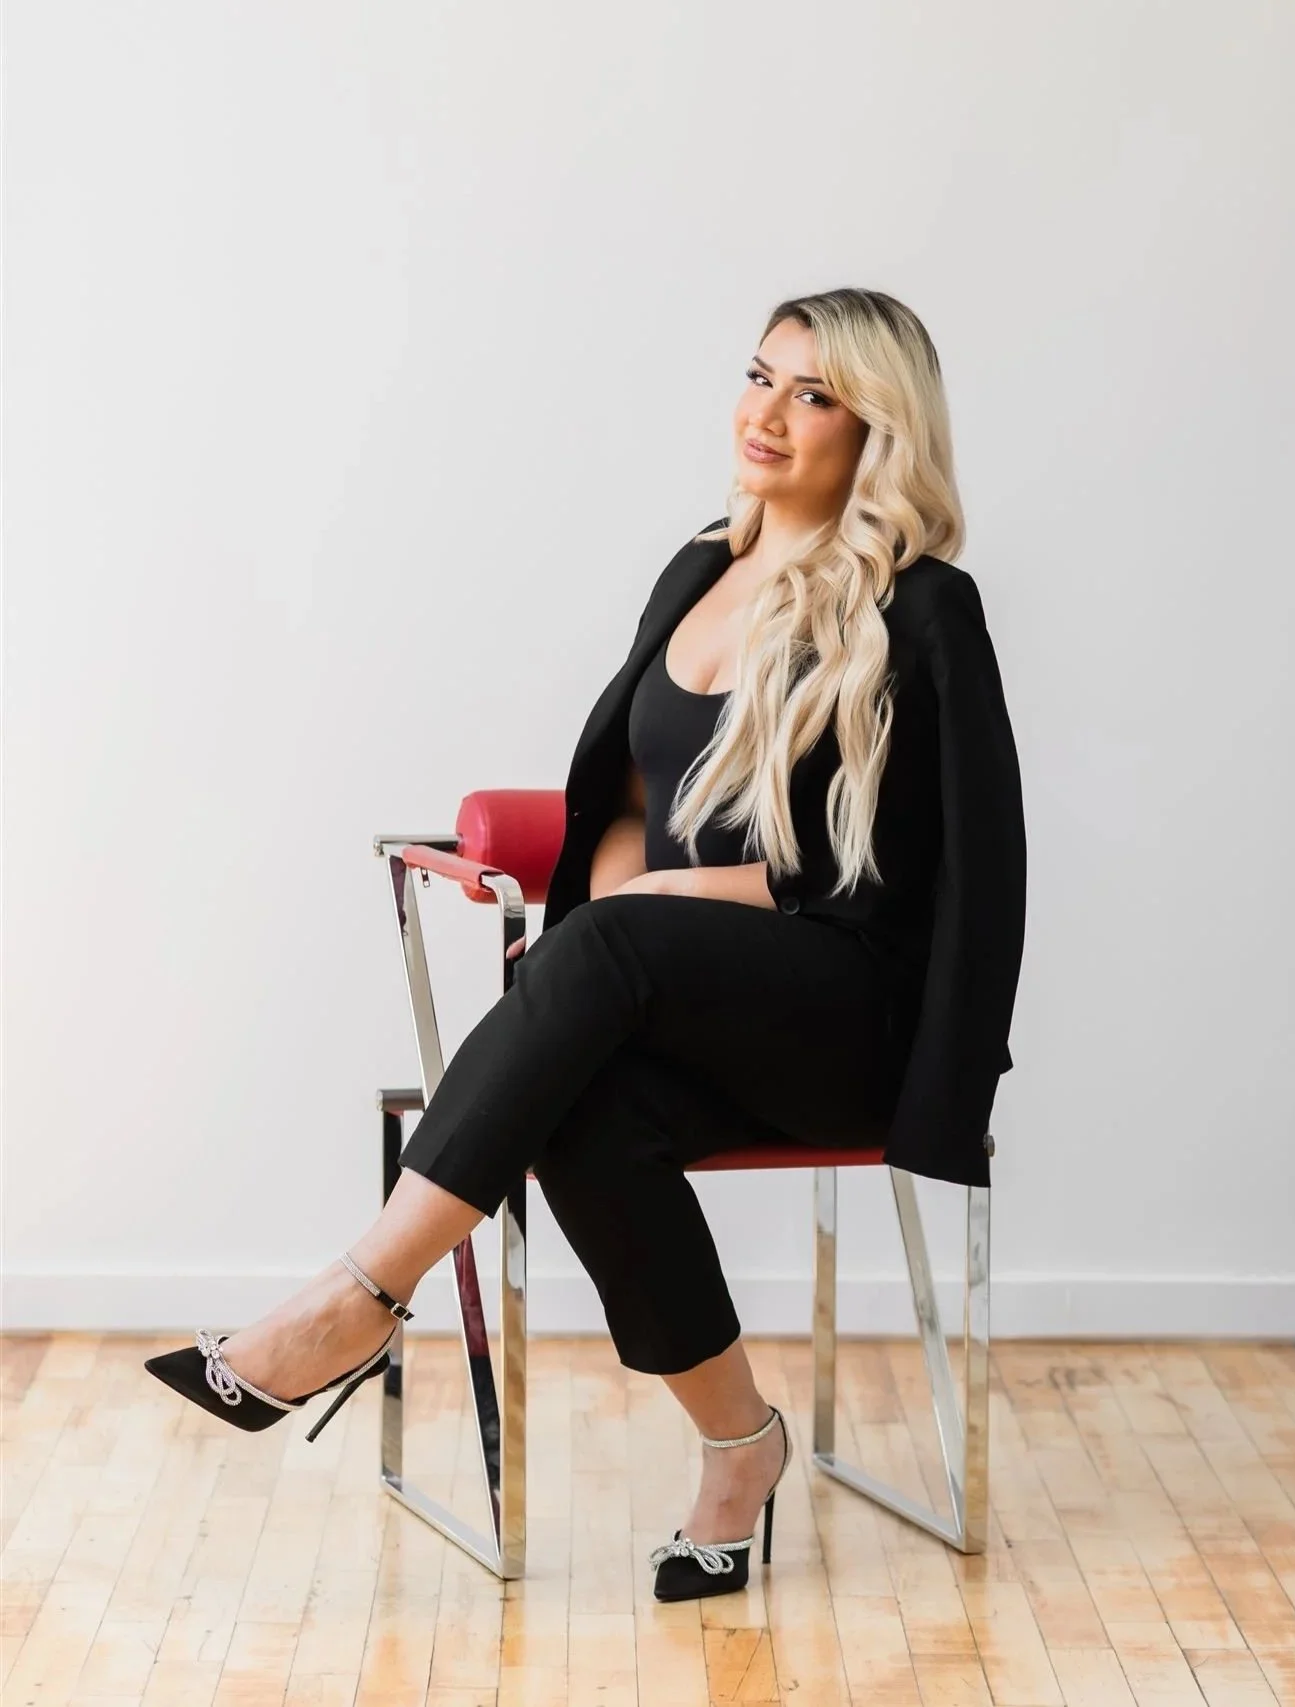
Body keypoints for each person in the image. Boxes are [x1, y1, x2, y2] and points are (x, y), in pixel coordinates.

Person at [145, 287, 1027, 1603]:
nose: (767, 411)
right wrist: (632, 912)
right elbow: (620, 803)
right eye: (758, 374)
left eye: (813, 393)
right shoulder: (697, 572)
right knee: (582, 1107)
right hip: (689, 988)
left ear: (877, 429)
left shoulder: (920, 607)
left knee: (607, 952)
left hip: (849, 1007)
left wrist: (636, 922)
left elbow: (897, 873)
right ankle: (740, 1446)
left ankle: (352, 1300)